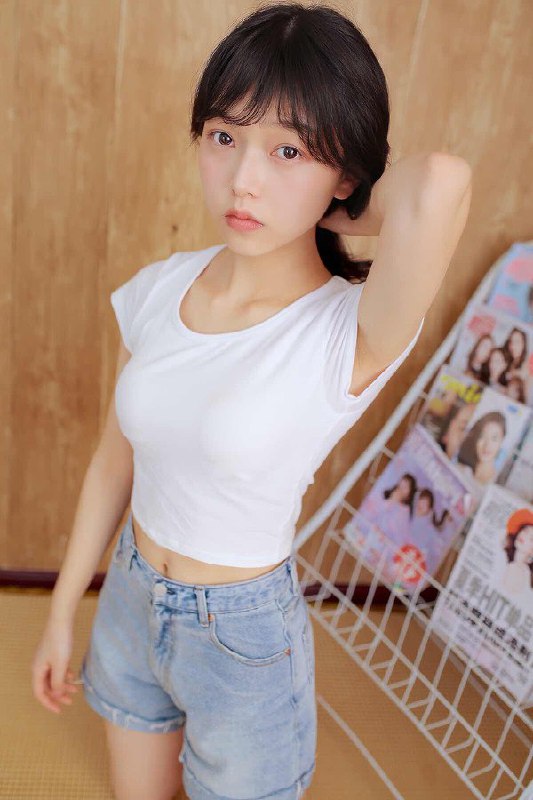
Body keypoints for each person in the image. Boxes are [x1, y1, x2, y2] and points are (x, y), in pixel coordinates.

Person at [31, 4, 472, 799]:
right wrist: (64, 612)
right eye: (224, 137)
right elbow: (109, 467)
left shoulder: (348, 332)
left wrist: (332, 196)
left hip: (239, 640)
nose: (243, 180)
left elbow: (439, 183)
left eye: (288, 150)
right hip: (129, 595)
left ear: (346, 174)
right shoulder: (159, 288)